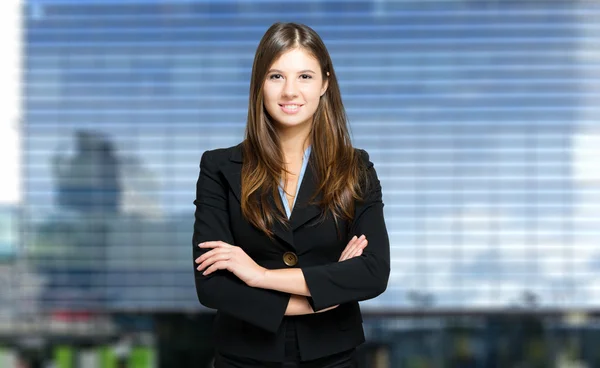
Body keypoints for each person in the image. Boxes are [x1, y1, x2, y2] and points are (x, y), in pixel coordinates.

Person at [192, 22, 390, 367]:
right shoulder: (220, 167)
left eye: (305, 77)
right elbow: (212, 286)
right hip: (243, 357)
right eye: (276, 76)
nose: (290, 92)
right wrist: (324, 296)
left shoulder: (355, 167)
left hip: (334, 357)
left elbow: (372, 272)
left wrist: (259, 275)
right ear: (259, 84)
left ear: (325, 83)